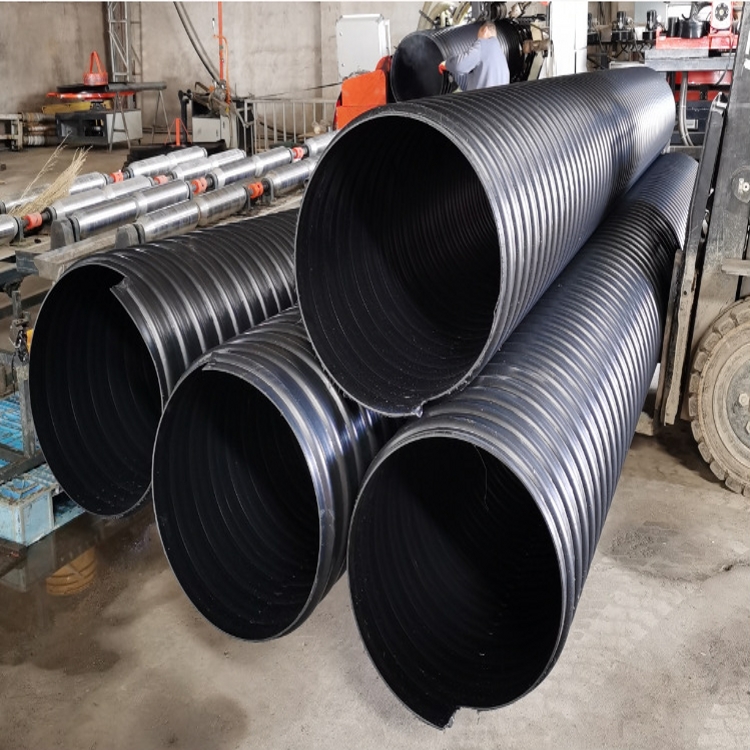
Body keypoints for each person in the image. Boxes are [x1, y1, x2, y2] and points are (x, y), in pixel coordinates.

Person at [439, 22, 510, 91]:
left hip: (479, 98)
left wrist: (446, 64)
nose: (478, 39)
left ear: (485, 30)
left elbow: (459, 66)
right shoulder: (501, 56)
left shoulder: (483, 44)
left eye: (478, 36)